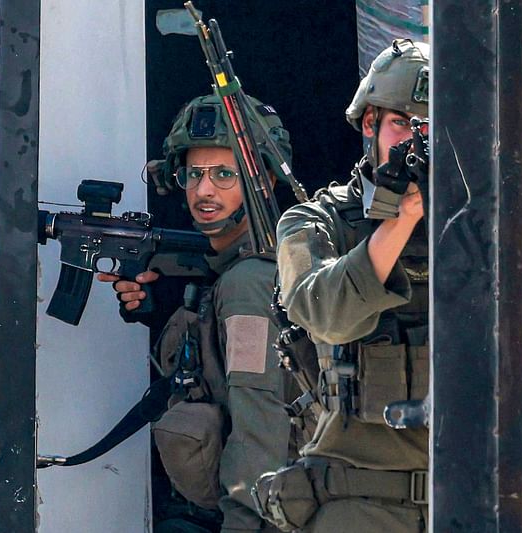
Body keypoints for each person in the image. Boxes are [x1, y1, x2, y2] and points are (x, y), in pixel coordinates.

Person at [99, 93, 309, 533]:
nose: (204, 189)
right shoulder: (230, 272)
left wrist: (244, 524)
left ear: (264, 180)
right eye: (194, 174)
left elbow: (260, 423)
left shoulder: (249, 284)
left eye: (224, 174)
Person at [252, 39, 431, 532]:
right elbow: (322, 313)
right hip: (360, 501)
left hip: (473, 496)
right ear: (369, 124)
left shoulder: (480, 227)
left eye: (435, 130)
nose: (418, 143)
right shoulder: (318, 222)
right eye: (404, 125)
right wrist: (400, 222)